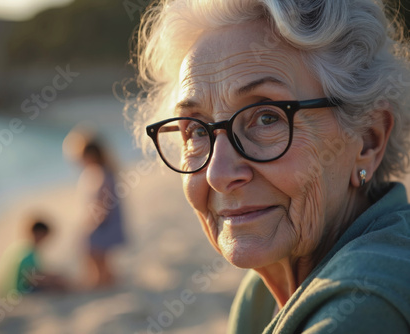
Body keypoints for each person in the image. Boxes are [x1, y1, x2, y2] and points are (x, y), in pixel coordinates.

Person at [128, 0, 410, 333]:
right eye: (198, 130)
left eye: (267, 117)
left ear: (367, 140)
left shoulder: (365, 304)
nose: (218, 175)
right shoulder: (263, 291)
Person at [64, 130, 126, 289]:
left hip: (104, 223)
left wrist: (90, 223)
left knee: (93, 252)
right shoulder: (101, 172)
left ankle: (101, 280)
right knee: (99, 255)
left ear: (91, 156)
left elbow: (102, 205)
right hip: (105, 221)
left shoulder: (101, 174)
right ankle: (105, 278)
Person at [0, 219, 67, 298]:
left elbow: (34, 272)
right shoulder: (28, 253)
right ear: (38, 233)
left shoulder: (20, 248)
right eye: (45, 237)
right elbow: (31, 278)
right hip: (19, 292)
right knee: (58, 284)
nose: (45, 242)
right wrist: (53, 279)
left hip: (9, 290)